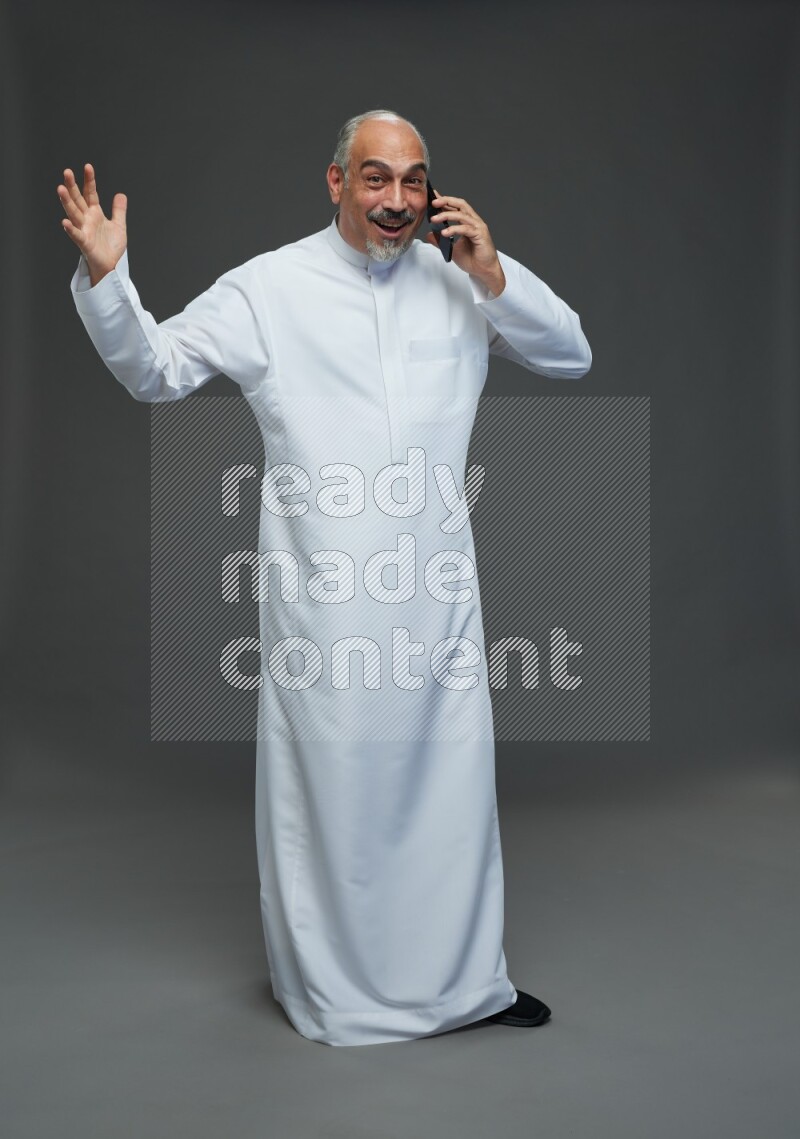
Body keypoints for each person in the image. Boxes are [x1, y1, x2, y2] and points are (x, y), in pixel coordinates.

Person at [59, 109, 592, 1047]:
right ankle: (336, 995)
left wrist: (497, 275)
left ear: (432, 191)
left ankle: (468, 983)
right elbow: (158, 370)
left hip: (438, 594)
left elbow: (570, 352)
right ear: (336, 181)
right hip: (327, 603)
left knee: (453, 794)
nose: (397, 200)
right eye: (377, 178)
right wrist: (110, 279)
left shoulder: (461, 280)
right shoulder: (270, 287)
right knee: (335, 792)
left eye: (414, 181)